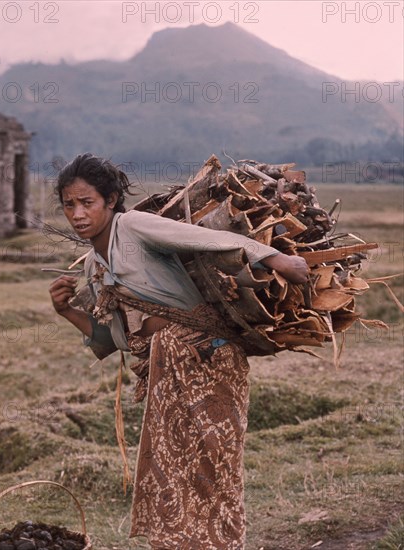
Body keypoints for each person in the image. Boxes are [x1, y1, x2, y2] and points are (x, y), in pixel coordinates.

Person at [49, 153, 309, 550]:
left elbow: (209, 240)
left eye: (87, 202)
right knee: (172, 474)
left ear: (112, 200)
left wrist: (278, 259)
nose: (78, 214)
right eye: (70, 205)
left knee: (213, 469)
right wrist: (65, 310)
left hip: (207, 357)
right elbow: (111, 340)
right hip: (165, 370)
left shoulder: (132, 226)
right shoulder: (93, 267)